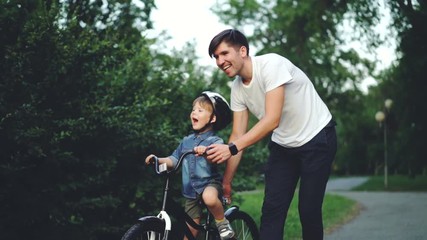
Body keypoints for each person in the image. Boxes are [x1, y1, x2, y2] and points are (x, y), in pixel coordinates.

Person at [205, 29, 337, 240]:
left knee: (308, 210)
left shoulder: (271, 65)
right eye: (216, 57)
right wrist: (227, 181)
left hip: (317, 137)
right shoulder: (237, 88)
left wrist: (231, 148)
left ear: (242, 50)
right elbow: (237, 134)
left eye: (224, 53)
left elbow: (271, 120)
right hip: (284, 146)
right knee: (272, 211)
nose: (220, 61)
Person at [145, 91, 235, 240]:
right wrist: (158, 159)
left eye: (200, 110)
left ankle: (222, 223)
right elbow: (174, 160)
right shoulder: (186, 141)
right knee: (189, 234)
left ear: (212, 118)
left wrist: (206, 152)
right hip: (191, 192)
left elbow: (216, 158)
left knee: (209, 198)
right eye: (193, 110)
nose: (194, 112)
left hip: (209, 184)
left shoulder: (215, 141)